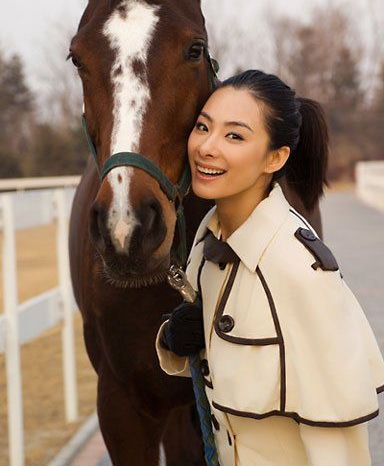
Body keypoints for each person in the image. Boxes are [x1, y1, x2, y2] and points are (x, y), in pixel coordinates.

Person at [155, 70, 384, 465]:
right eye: (203, 127)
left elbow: (339, 447)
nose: (207, 147)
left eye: (235, 136)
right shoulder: (207, 243)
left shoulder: (301, 272)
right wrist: (177, 340)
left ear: (276, 158)